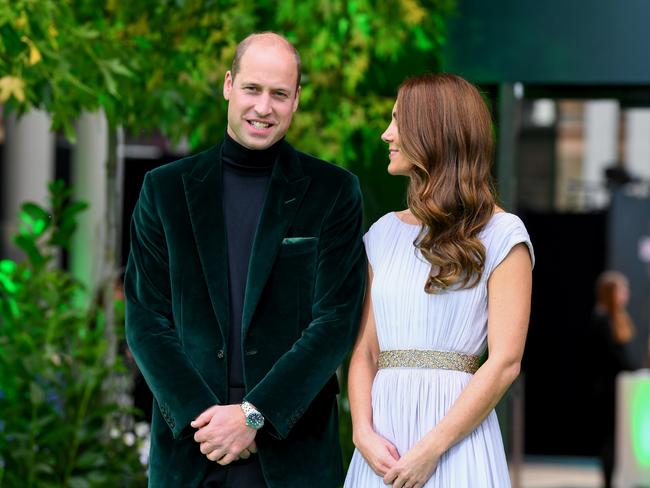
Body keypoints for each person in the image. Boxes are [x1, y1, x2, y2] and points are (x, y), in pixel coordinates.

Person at [124, 32, 366, 488]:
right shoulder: (165, 190)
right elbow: (146, 320)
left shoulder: (334, 191)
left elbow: (335, 322)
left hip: (294, 453)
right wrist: (209, 421)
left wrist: (255, 416)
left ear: (296, 100)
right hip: (192, 449)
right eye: (253, 89)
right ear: (229, 85)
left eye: (279, 94)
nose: (263, 107)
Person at [344, 73, 534, 488]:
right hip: (381, 448)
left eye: (398, 121)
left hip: (456, 445)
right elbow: (364, 351)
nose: (385, 134)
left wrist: (431, 449)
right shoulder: (381, 234)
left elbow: (504, 363)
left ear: (432, 130)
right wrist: (362, 432)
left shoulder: (503, 235)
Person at [589, 271, 636, 488]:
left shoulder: (615, 319)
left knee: (615, 438)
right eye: (622, 290)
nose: (626, 294)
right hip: (607, 391)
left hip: (615, 389)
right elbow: (616, 358)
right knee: (610, 438)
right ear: (611, 293)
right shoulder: (602, 319)